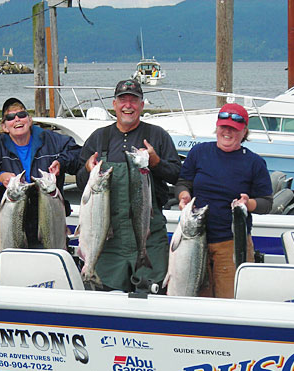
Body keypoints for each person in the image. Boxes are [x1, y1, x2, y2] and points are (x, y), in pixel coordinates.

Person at [76, 79, 181, 292]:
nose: (128, 105)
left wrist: (156, 162)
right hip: (108, 239)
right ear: (114, 104)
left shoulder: (157, 135)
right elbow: (79, 184)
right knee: (103, 296)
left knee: (152, 298)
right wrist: (88, 169)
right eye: (123, 100)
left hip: (148, 236)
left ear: (142, 105)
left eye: (134, 100)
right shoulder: (99, 137)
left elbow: (177, 174)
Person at [174, 102, 273, 298]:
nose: (227, 132)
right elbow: (183, 182)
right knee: (193, 297)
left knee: (230, 300)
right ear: (217, 127)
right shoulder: (199, 152)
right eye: (223, 127)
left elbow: (266, 203)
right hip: (194, 239)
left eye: (234, 129)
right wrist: (183, 195)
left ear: (244, 132)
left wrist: (248, 204)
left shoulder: (254, 163)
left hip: (231, 243)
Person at [0, 97, 81, 257]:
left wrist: (61, 162)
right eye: (10, 117)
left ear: (30, 119)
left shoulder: (52, 140)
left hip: (50, 229)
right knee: (12, 279)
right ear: (4, 127)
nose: (17, 119)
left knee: (51, 278)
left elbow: (78, 154)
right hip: (9, 232)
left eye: (22, 114)